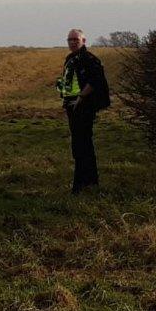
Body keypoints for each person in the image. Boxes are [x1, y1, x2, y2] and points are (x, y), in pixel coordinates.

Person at [57, 28, 109, 194]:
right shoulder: (71, 58)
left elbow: (95, 81)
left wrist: (81, 97)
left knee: (81, 146)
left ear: (83, 41)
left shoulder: (89, 59)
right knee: (82, 144)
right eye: (70, 40)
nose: (72, 42)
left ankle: (79, 185)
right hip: (72, 106)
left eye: (76, 40)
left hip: (84, 107)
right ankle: (90, 182)